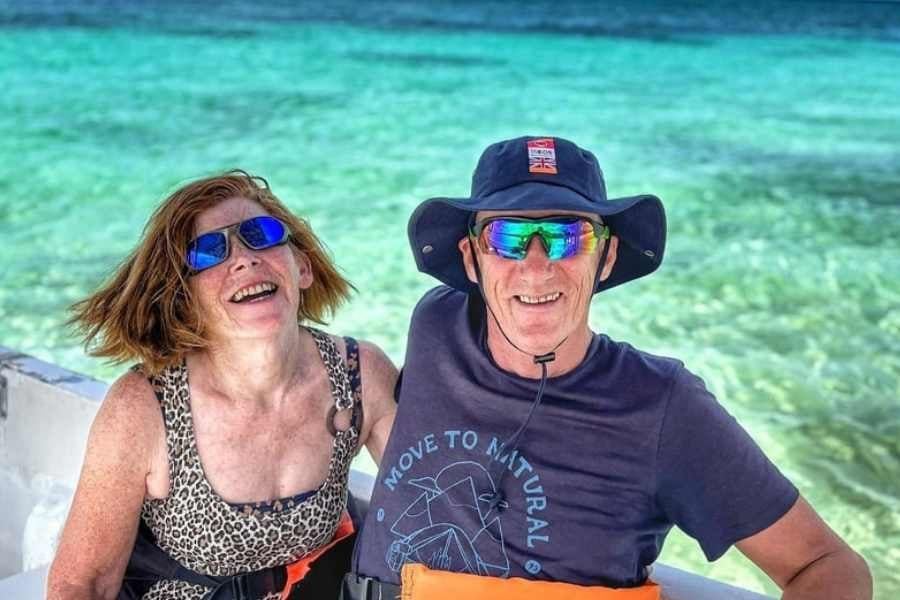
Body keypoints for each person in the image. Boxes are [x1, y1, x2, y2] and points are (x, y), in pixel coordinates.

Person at [342, 137, 872, 599]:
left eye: (568, 236)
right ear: (471, 258)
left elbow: (828, 566)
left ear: (608, 258)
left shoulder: (663, 404)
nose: (535, 265)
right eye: (506, 236)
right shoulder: (436, 322)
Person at [47, 171, 398, 600]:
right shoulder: (144, 406)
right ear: (184, 299)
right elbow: (84, 585)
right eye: (208, 252)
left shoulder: (359, 375)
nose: (244, 258)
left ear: (301, 267)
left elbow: (437, 504)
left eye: (261, 234)